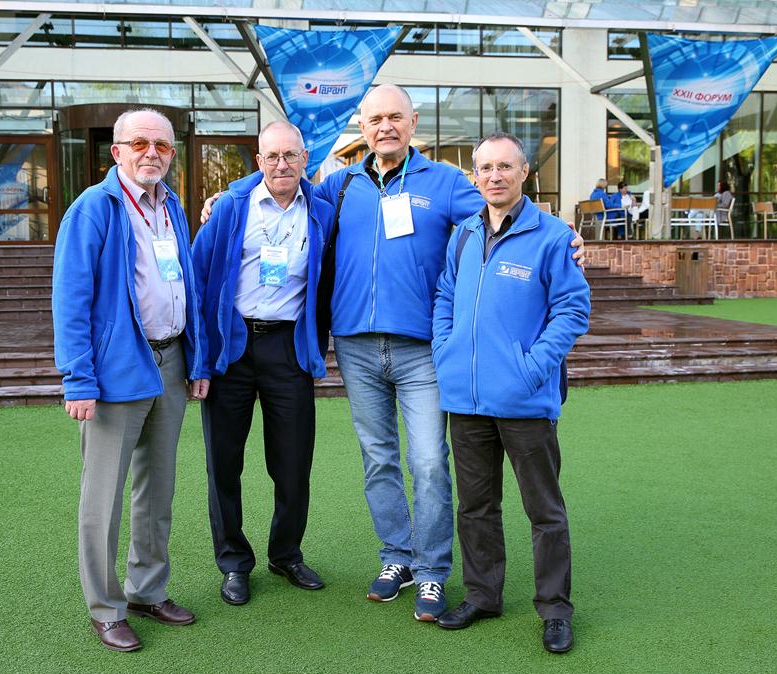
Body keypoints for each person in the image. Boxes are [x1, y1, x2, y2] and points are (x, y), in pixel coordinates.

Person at [203, 85, 585, 623]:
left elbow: (503, 208)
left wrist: (563, 233)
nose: (385, 126)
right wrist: (226, 194)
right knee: (378, 459)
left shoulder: (446, 181)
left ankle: (431, 570)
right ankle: (396, 557)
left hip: (420, 349)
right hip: (356, 347)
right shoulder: (339, 185)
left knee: (428, 461)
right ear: (363, 127)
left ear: (413, 122)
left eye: (395, 117)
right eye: (376, 118)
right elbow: (281, 179)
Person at [52, 108, 209, 653]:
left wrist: (197, 360)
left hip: (171, 363)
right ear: (116, 152)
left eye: (161, 145)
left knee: (157, 490)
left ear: (172, 154)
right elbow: (70, 299)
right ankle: (105, 608)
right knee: (103, 500)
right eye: (139, 143)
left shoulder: (172, 207)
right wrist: (78, 379)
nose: (151, 153)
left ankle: (147, 591)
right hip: (116, 369)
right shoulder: (93, 209)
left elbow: (185, 285)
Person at [431, 132, 590, 653]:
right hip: (466, 398)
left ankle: (555, 609)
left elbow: (572, 310)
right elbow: (446, 294)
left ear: (525, 172)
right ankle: (483, 595)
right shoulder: (463, 234)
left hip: (524, 399)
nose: (494, 176)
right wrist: (445, 349)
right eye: (485, 168)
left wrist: (533, 368)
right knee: (476, 507)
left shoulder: (552, 237)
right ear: (474, 175)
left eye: (505, 166)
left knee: (544, 511)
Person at [191, 121, 332, 606]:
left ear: (305, 159)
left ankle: (285, 553)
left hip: (288, 348)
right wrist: (200, 359)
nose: (281, 164)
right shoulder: (230, 207)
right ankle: (233, 562)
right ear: (258, 162)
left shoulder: (322, 212)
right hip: (231, 347)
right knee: (223, 463)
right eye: (272, 156)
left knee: (293, 462)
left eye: (290, 155)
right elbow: (198, 279)